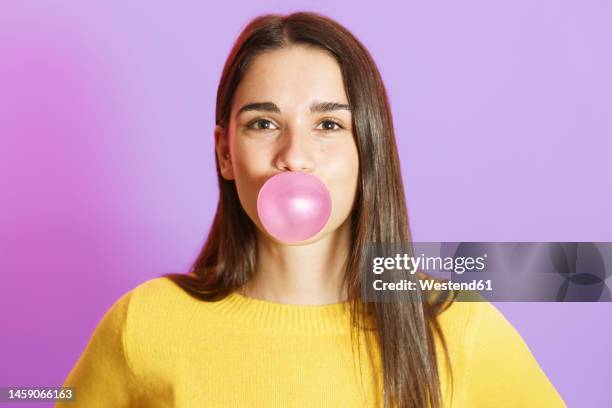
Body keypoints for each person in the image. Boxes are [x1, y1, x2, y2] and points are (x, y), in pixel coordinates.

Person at [57, 11, 566, 408]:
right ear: (224, 153)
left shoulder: (456, 328)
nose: (295, 156)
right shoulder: (146, 324)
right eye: (263, 123)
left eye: (328, 125)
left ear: (369, 149)